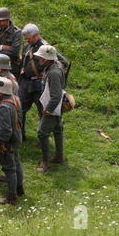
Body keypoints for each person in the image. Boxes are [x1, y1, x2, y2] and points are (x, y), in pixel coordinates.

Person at [19, 24, 68, 141]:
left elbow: (62, 62)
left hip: (39, 85)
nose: (26, 40)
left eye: (28, 38)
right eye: (25, 38)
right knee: (20, 110)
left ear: (36, 35)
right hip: (26, 83)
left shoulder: (46, 47)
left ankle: (43, 139)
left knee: (43, 112)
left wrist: (46, 72)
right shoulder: (27, 46)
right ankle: (20, 135)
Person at [0, 77, 24, 204]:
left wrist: (0, 143)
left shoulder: (4, 107)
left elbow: (6, 130)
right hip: (16, 136)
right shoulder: (15, 99)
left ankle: (12, 197)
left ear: (1, 92)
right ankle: (19, 188)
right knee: (16, 162)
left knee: (9, 167)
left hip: (8, 140)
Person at [33, 45, 66, 173]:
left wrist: (48, 109)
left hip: (53, 107)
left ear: (47, 59)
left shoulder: (54, 72)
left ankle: (45, 163)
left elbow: (56, 95)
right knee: (57, 130)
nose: (39, 58)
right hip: (55, 106)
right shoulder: (52, 68)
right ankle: (59, 156)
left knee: (42, 133)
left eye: (41, 57)